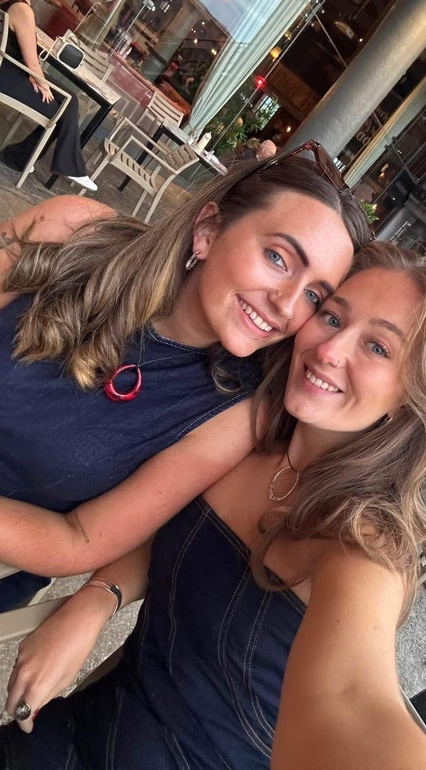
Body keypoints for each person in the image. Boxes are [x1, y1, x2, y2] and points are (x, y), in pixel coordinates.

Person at [0, 242, 426, 769]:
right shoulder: (249, 436)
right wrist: (99, 597)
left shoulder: (364, 545)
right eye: (331, 317)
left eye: (378, 348)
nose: (330, 349)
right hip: (77, 728)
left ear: (413, 395)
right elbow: (170, 531)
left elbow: (352, 701)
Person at [0, 145, 371, 609]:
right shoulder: (73, 229)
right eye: (278, 258)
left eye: (315, 296)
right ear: (208, 230)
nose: (287, 304)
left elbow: (80, 539)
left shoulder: (232, 412)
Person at [0, 0, 98, 190]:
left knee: (69, 100)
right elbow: (33, 64)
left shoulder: (12, 0)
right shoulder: (23, 10)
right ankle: (26, 159)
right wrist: (42, 83)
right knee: (63, 108)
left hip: (10, 70)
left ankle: (21, 157)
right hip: (9, 75)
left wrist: (37, 78)